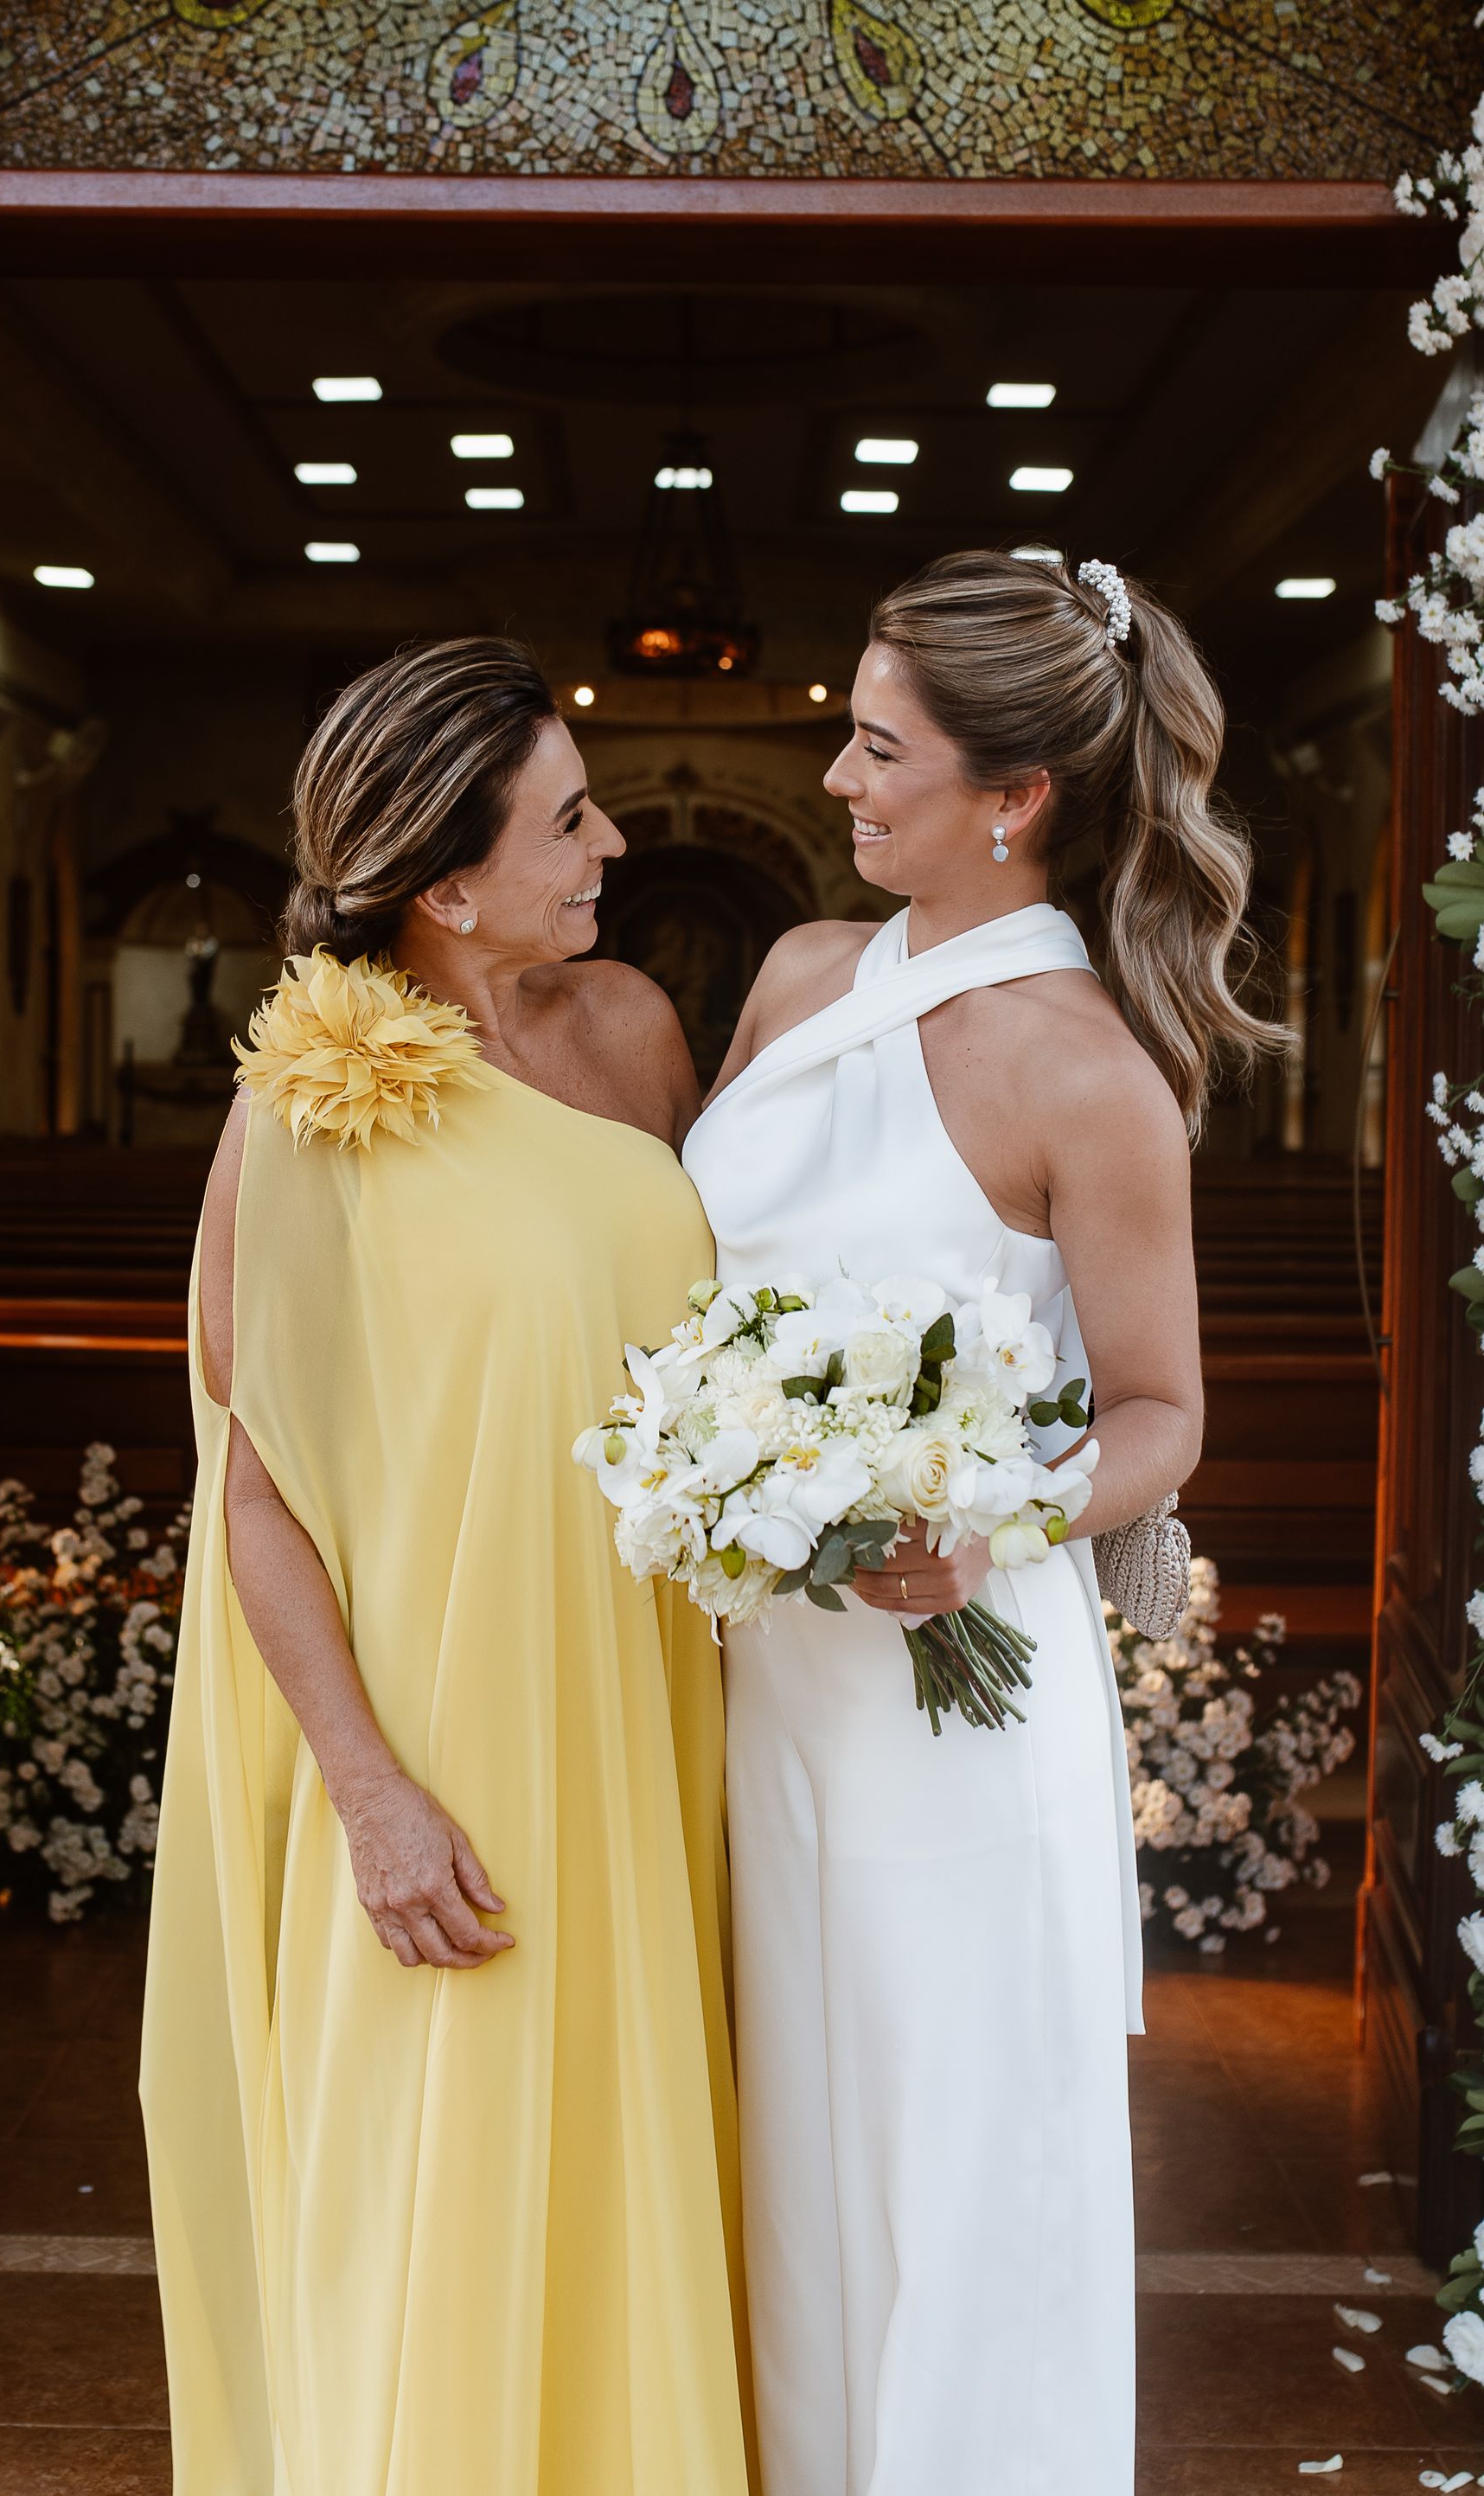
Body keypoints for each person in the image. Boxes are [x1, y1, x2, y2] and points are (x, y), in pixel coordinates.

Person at [681, 551, 1284, 2496]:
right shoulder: (799, 977)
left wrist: (988, 1516)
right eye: (848, 736)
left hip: (958, 1690)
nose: (839, 778)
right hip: (764, 1680)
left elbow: (1162, 1416)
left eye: (881, 750)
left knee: (956, 2169)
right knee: (791, 2149)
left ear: (1015, 794)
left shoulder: (1090, 1073)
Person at [141, 637, 755, 2496]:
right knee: (446, 2169)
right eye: (568, 821)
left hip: (647, 1699)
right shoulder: (307, 1106)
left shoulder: (633, 1027)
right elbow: (257, 1491)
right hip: (442, 1728)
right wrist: (371, 1792)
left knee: (631, 2136)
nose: (614, 842)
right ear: (446, 885)